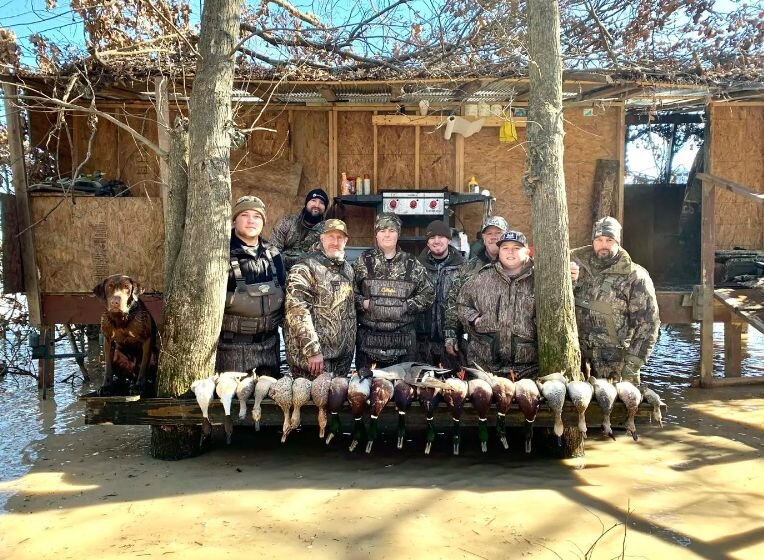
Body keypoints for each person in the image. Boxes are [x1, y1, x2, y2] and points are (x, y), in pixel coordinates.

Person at [571, 216, 660, 384]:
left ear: (618, 241)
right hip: (576, 363)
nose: (603, 245)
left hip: (614, 368)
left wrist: (632, 367)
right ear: (593, 241)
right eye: (599, 239)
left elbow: (648, 325)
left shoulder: (635, 277)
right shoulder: (574, 266)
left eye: (609, 240)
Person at [353, 213, 435, 368]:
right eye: (382, 230)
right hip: (368, 341)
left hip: (404, 343)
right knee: (366, 390)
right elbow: (349, 292)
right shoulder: (362, 262)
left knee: (403, 391)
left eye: (391, 230)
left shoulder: (412, 263)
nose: (387, 234)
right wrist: (362, 303)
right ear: (376, 234)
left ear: (398, 234)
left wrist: (407, 305)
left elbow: (428, 294)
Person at [216, 195, 286, 374]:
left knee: (269, 399)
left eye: (256, 216)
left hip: (270, 350)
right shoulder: (220, 255)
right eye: (245, 215)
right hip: (231, 351)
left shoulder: (273, 254)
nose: (251, 221)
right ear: (234, 220)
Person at [458, 230, 538, 378]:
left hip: (529, 370)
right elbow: (463, 304)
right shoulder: (482, 278)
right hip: (485, 369)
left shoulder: (539, 280)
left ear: (527, 251)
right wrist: (474, 319)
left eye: (516, 248)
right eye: (505, 248)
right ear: (499, 251)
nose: (510, 252)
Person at [284, 219, 356, 378]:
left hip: (341, 363)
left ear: (346, 241)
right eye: (330, 236)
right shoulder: (305, 268)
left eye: (340, 237)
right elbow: (296, 311)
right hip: (313, 362)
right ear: (322, 238)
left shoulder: (348, 270)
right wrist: (312, 350)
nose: (335, 242)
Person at [444, 215, 509, 358]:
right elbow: (454, 301)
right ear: (483, 238)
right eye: (489, 233)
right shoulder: (469, 267)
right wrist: (451, 334)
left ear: (506, 235)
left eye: (498, 233)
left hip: (513, 346)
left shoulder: (516, 266)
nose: (493, 237)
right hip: (477, 344)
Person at [416, 220, 464, 368]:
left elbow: (465, 303)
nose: (436, 241)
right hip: (421, 343)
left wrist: (454, 334)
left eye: (441, 236)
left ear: (449, 239)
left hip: (453, 343)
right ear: (427, 242)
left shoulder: (463, 268)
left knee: (453, 387)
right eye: (432, 237)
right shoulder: (416, 267)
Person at [270, 187, 329, 270]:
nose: (317, 205)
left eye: (322, 203)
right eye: (313, 200)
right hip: (283, 270)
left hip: (313, 274)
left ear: (325, 208)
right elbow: (273, 251)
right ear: (306, 203)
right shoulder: (287, 222)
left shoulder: (327, 230)